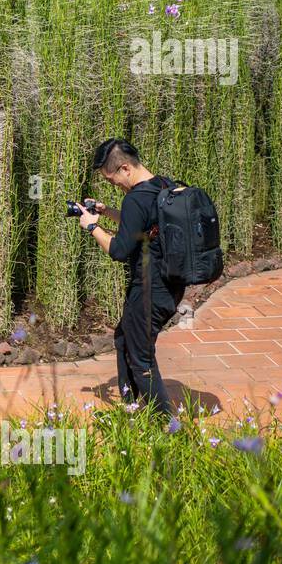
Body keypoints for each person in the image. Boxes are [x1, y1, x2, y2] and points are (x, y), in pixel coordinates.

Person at [74, 138, 185, 416]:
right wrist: (106, 211)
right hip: (169, 284)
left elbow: (120, 250)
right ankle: (132, 407)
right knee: (125, 338)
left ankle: (167, 426)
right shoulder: (162, 185)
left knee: (141, 359)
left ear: (125, 168)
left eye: (113, 181)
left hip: (148, 290)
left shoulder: (136, 197)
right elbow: (142, 223)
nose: (116, 186)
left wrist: (92, 227)